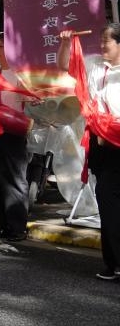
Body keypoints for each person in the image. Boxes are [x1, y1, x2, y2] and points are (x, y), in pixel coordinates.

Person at [58, 26, 120, 281]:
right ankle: (112, 263)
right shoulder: (95, 65)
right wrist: (65, 43)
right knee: (106, 200)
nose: (102, 45)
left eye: (107, 41)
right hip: (100, 143)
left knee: (108, 196)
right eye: (102, 40)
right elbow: (65, 65)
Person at [0, 32, 32, 242]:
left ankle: (18, 227)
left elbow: (31, 97)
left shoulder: (20, 73)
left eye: (1, 47)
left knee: (14, 178)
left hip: (14, 131)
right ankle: (1, 224)